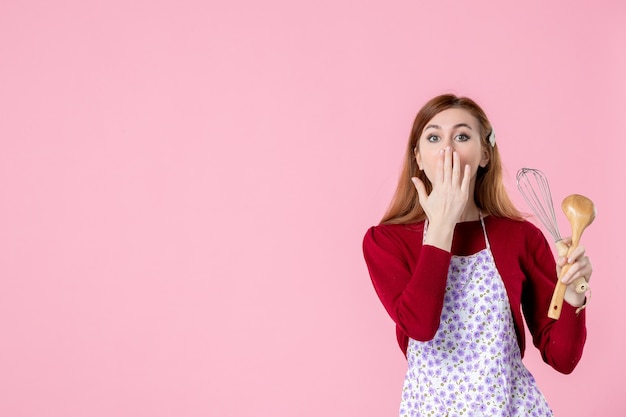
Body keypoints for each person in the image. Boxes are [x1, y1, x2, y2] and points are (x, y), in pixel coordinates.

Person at [362, 94, 592, 416]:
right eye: (433, 137)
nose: (447, 149)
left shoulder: (520, 237)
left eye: (461, 136)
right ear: (418, 157)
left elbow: (562, 358)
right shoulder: (386, 241)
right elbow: (420, 326)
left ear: (485, 154)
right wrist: (442, 224)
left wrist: (572, 295)